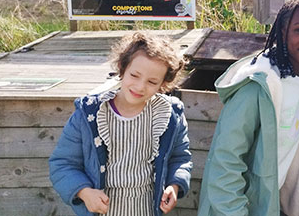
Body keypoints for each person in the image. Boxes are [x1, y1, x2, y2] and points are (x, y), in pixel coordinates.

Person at [197, 0, 299, 216]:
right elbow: (226, 160)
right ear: (282, 31)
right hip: (237, 206)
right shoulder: (258, 85)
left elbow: (294, 117)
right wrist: (235, 211)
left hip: (268, 201)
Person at [49, 32, 192, 216]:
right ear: (122, 68)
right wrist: (84, 192)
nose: (140, 86)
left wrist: (174, 185)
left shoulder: (170, 116)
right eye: (134, 75)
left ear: (163, 84)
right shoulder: (89, 115)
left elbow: (180, 159)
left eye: (152, 81)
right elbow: (62, 164)